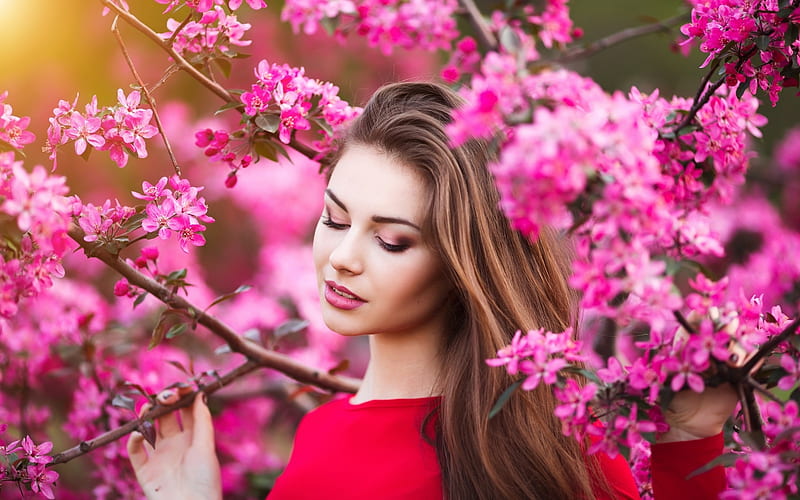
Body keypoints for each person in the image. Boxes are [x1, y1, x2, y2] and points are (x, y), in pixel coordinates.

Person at [128, 82, 735, 499]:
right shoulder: (320, 436)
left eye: (390, 241)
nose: (341, 258)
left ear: (464, 263)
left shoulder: (552, 449)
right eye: (335, 220)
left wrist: (692, 450)